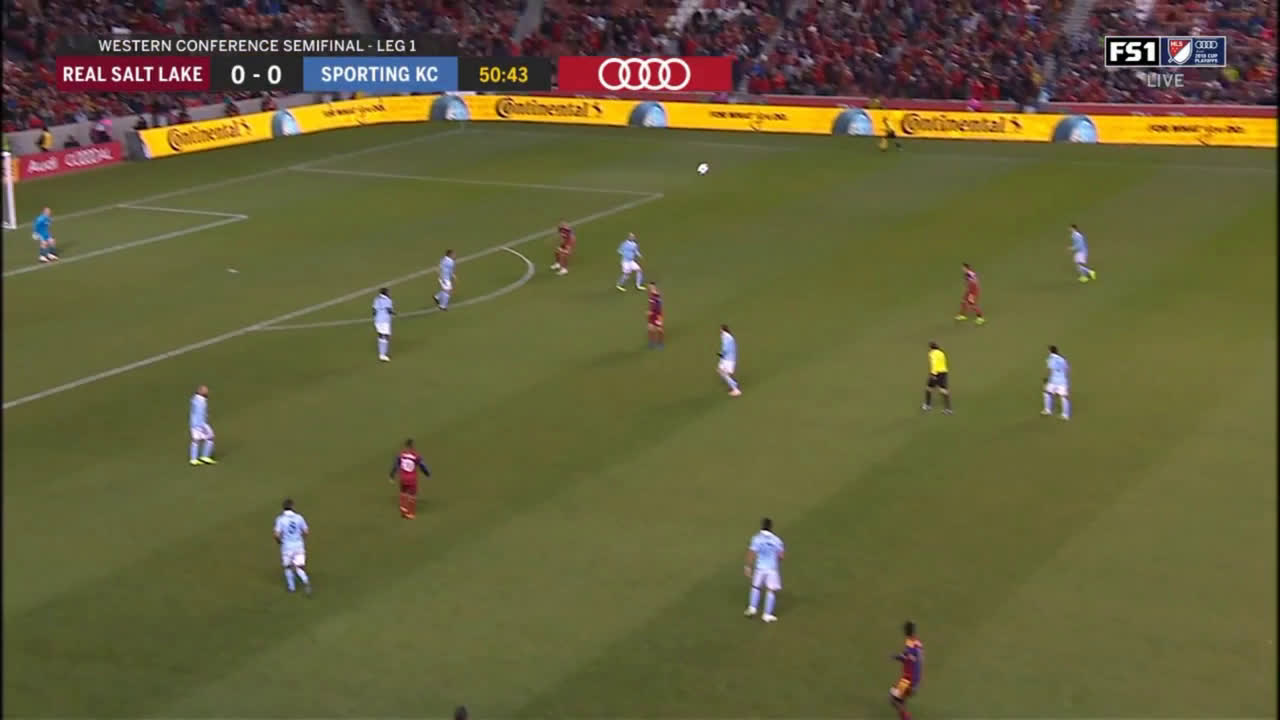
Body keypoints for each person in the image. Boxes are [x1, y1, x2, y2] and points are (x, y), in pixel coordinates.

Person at [743, 517, 784, 622]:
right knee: (771, 591)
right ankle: (767, 615)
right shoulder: (777, 540)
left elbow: (751, 553)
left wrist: (748, 566)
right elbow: (781, 556)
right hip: (772, 569)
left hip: (760, 568)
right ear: (771, 527)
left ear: (762, 526)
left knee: (756, 587)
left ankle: (752, 608)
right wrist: (776, 561)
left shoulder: (757, 539)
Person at [273, 498, 312, 595]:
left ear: (283, 508)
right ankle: (305, 580)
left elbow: (276, 534)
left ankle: (291, 588)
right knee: (299, 567)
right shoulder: (299, 517)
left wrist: (279, 542)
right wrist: (301, 539)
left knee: (288, 567)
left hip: (287, 547)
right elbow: (306, 531)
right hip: (299, 545)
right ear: (292, 507)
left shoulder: (280, 519)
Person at [889, 621, 923, 720]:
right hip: (913, 679)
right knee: (900, 699)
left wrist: (897, 657)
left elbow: (908, 658)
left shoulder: (911, 645)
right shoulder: (916, 642)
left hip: (908, 680)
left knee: (894, 699)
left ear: (906, 631)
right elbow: (909, 657)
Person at [389, 439, 431, 519]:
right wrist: (427, 473)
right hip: (412, 479)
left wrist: (392, 476)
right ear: (412, 446)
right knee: (412, 495)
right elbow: (422, 466)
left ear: (405, 446)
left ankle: (403, 508)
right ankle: (410, 514)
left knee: (403, 492)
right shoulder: (416, 456)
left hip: (403, 478)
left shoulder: (401, 455)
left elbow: (395, 466)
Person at [188, 384, 216, 465]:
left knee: (195, 440)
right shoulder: (201, 402)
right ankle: (205, 456)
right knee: (210, 437)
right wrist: (203, 426)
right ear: (202, 392)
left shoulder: (194, 399)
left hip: (193, 424)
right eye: (206, 391)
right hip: (201, 424)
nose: (207, 392)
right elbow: (200, 414)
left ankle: (193, 459)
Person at [1042, 344, 1071, 420]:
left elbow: (1050, 368)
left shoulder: (1050, 359)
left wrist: (1046, 379)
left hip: (1053, 381)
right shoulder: (1063, 359)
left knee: (1047, 393)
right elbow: (1067, 368)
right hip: (1062, 381)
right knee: (1064, 397)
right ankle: (1065, 415)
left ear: (1050, 351)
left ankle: (1048, 410)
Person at [923, 342, 950, 414]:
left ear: (931, 348)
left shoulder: (932, 353)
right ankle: (948, 409)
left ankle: (927, 405)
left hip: (936, 373)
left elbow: (934, 364)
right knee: (943, 390)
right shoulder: (942, 353)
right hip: (944, 372)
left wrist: (933, 374)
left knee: (928, 388)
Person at [718, 324, 741, 396]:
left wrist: (721, 353)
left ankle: (736, 389)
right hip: (728, 359)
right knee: (722, 371)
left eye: (721, 329)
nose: (720, 331)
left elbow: (726, 348)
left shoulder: (726, 337)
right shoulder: (729, 337)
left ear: (723, 330)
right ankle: (734, 384)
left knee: (723, 373)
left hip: (728, 360)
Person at [372, 288, 394, 362]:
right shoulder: (388, 300)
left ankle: (381, 354)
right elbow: (389, 310)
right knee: (386, 336)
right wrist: (393, 313)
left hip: (377, 320)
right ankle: (383, 355)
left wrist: (376, 318)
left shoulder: (376, 299)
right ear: (386, 293)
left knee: (380, 335)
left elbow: (374, 311)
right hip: (385, 320)